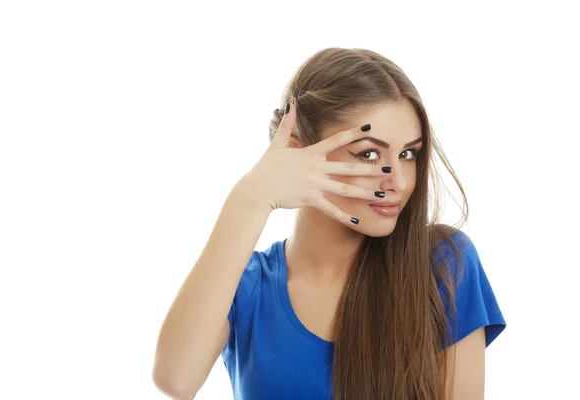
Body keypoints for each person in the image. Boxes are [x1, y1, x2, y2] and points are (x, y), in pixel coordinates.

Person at [152, 47, 507, 400]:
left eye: (407, 154)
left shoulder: (442, 263)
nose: (397, 181)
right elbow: (176, 381)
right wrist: (250, 197)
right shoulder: (247, 289)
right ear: (296, 153)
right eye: (368, 154)